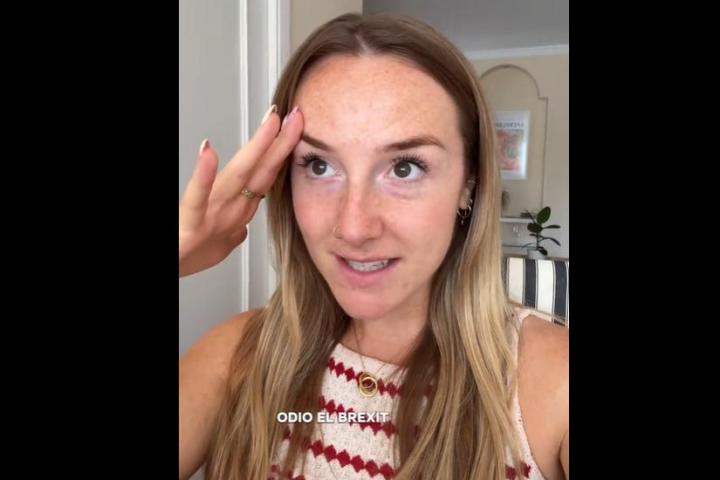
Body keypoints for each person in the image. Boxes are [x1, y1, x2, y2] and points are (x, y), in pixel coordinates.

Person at [179, 12, 568, 480]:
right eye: (319, 166)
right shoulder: (236, 357)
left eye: (405, 167)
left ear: (469, 185)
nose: (354, 226)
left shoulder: (553, 383)